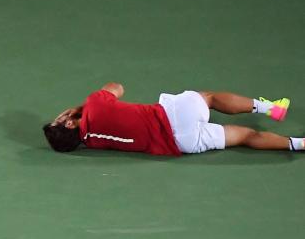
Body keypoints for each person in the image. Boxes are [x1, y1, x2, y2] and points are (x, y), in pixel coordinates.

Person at [43, 83, 297, 155]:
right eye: (59, 120)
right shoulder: (95, 106)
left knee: (246, 136)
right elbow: (117, 87)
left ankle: (299, 144)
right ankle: (270, 109)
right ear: (67, 122)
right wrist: (78, 108)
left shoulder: (93, 142)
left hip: (180, 144)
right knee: (209, 98)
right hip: (174, 115)